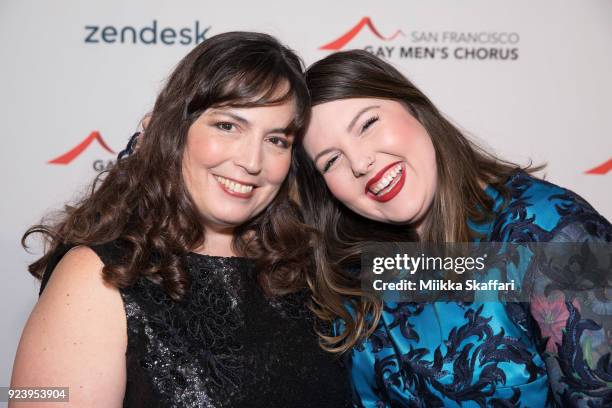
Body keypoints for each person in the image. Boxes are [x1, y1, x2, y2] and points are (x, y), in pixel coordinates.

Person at [10, 32, 352, 407]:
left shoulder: (306, 267)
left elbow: (421, 281)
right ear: (173, 129)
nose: (252, 162)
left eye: (276, 140)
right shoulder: (96, 277)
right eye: (228, 126)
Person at [294, 50, 612, 407]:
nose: (360, 162)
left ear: (414, 107)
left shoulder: (547, 232)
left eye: (367, 124)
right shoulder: (356, 276)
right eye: (331, 160)